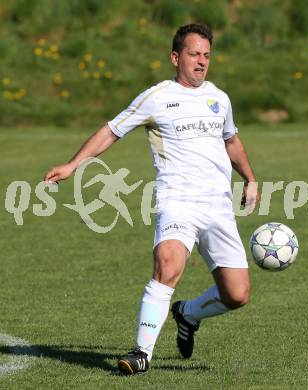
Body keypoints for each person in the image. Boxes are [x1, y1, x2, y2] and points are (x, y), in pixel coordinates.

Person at [44, 23, 259, 375]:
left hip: (218, 205)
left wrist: (249, 178)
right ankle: (142, 352)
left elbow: (231, 141)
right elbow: (112, 130)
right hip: (178, 200)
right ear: (176, 57)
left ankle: (187, 314)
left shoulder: (219, 98)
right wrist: (72, 164)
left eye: (206, 55)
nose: (201, 61)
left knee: (237, 294)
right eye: (194, 54)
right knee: (169, 265)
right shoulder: (157, 97)